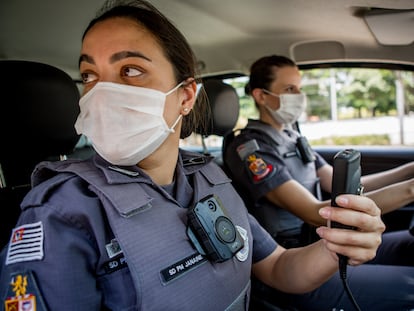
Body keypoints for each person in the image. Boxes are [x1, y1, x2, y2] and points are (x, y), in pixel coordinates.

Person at [0, 2, 389, 311]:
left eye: (130, 70)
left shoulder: (209, 180)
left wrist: (335, 245)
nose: (102, 93)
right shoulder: (62, 213)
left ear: (186, 96)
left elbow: (278, 267)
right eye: (89, 76)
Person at [223, 54, 414, 309]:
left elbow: (343, 184)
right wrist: (411, 190)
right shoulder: (249, 149)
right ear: (261, 95)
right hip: (294, 261)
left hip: (321, 245)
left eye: (300, 89)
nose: (299, 96)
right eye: (290, 89)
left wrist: (409, 170)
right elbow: (315, 213)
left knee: (408, 246)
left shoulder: (293, 138)